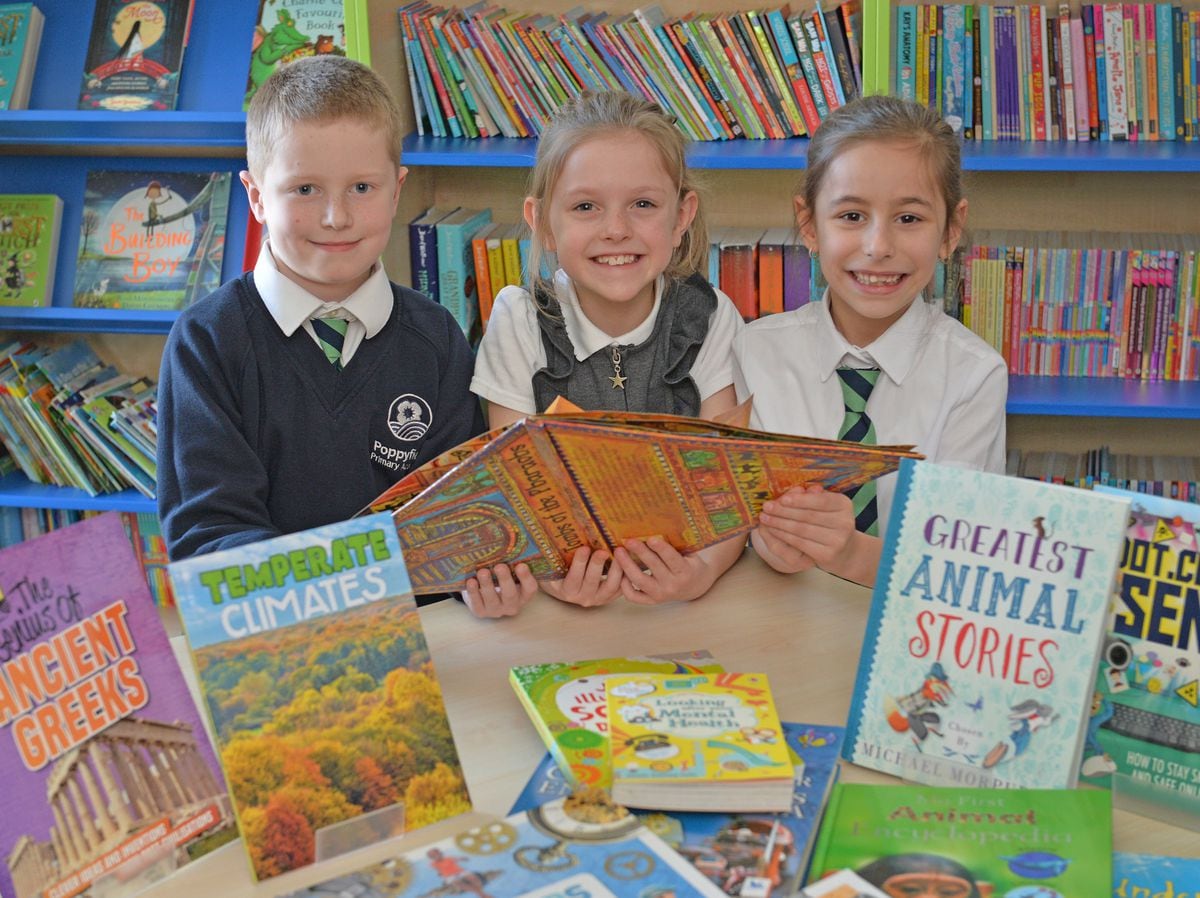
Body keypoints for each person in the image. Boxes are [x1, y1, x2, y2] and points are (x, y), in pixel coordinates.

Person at [157, 55, 484, 563]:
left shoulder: (436, 336)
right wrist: (355, 586)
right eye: (305, 189)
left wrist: (480, 578)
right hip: (277, 626)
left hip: (423, 629)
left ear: (397, 190)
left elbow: (458, 515)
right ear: (257, 196)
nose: (337, 217)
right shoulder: (208, 340)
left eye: (362, 187)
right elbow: (210, 534)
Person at [469, 90, 746, 617]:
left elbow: (727, 491)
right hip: (559, 604)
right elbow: (510, 484)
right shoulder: (520, 320)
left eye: (643, 204)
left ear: (682, 214)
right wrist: (553, 579)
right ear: (543, 222)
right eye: (585, 206)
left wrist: (701, 573)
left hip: (679, 603)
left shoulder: (708, 317)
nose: (616, 229)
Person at [733, 95, 1006, 587]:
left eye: (909, 219)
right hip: (782, 620)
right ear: (809, 224)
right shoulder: (753, 354)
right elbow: (738, 525)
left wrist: (848, 553)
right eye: (852, 216)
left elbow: (957, 567)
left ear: (951, 230)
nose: (879, 247)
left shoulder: (973, 375)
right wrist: (768, 541)